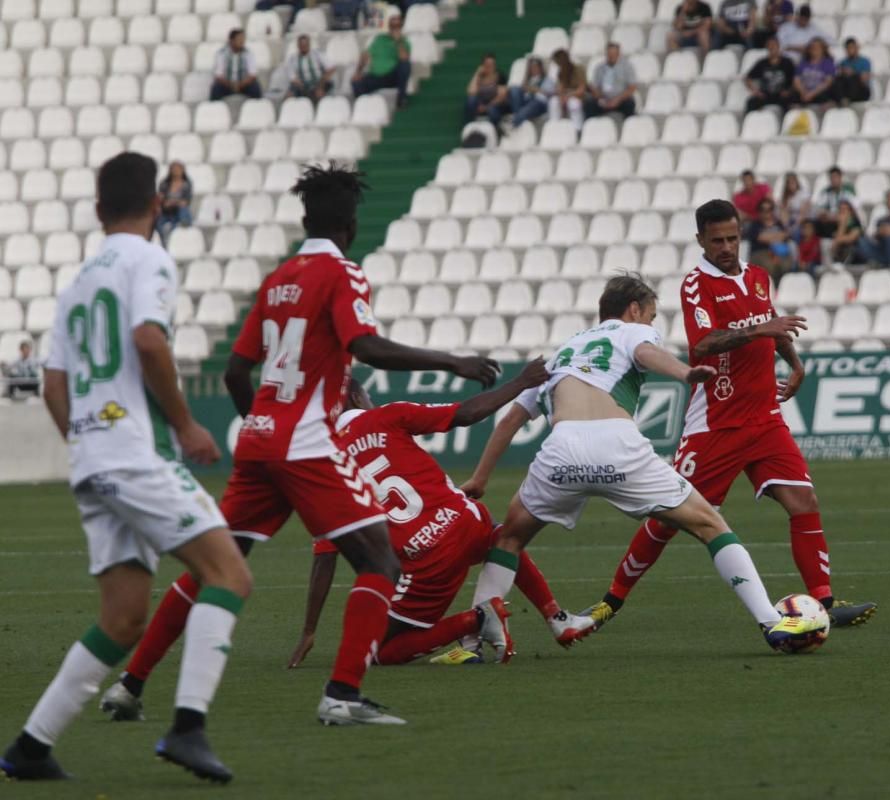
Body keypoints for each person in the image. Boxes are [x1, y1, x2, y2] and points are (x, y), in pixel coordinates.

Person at [96, 164, 502, 729]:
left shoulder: (278, 278)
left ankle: (130, 684)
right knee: (379, 560)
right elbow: (364, 345)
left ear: (305, 218)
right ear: (351, 224)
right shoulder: (343, 273)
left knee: (212, 564)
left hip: (260, 437)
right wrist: (451, 362)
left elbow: (238, 371)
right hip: (306, 442)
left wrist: (261, 426)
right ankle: (343, 694)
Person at [0, 152, 253, 783]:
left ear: (95, 210)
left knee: (123, 617)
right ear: (159, 205)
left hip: (91, 463)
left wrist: (83, 444)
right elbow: (147, 338)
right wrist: (186, 424)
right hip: (131, 455)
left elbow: (54, 383)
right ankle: (187, 727)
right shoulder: (149, 258)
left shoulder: (80, 279)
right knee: (229, 574)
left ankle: (31, 747)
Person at [460, 274, 821, 654]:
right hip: (616, 445)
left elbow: (509, 422)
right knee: (710, 525)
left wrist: (480, 478)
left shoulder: (561, 353)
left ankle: (469, 643)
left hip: (560, 452)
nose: (651, 324)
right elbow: (646, 353)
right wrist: (685, 372)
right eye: (650, 315)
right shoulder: (630, 332)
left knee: (509, 539)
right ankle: (771, 622)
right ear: (633, 310)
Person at [578, 204, 877, 632]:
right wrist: (761, 331)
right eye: (716, 240)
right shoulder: (697, 286)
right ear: (700, 239)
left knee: (803, 502)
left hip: (765, 419)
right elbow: (704, 344)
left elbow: (770, 323)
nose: (726, 247)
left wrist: (793, 361)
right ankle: (612, 600)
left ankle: (825, 603)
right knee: (669, 516)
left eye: (732, 238)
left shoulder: (757, 276)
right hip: (715, 424)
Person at [286, 372, 600, 669]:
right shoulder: (388, 415)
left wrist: (309, 630)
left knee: (379, 650)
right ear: (356, 397)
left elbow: (325, 558)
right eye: (367, 395)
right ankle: (555, 618)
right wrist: (521, 381)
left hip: (426, 561)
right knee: (505, 538)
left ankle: (475, 620)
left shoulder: (323, 466)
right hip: (466, 519)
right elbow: (466, 412)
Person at [352, 13, 412, 107]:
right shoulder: (380, 39)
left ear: (401, 27)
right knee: (356, 81)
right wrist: (358, 72)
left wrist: (398, 41)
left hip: (392, 77)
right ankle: (363, 107)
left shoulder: (404, 42)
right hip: (375, 76)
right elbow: (365, 55)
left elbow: (404, 58)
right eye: (393, 25)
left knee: (405, 65)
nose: (395, 28)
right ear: (389, 26)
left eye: (397, 25)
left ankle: (401, 99)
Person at [744, 198, 795, 283]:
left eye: (769, 209)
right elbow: (761, 238)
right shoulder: (755, 224)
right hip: (760, 252)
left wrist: (771, 237)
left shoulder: (778, 223)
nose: (766, 212)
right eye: (763, 210)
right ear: (759, 211)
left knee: (787, 264)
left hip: (779, 252)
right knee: (770, 266)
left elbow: (786, 235)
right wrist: (777, 236)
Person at [857, 190, 890, 268]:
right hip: (883, 250)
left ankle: (881, 262)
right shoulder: (881, 219)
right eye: (888, 199)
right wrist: (880, 232)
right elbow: (875, 236)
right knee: (861, 241)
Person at [585, 42, 638, 120]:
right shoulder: (599, 68)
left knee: (629, 104)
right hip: (603, 99)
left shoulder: (627, 67)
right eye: (609, 54)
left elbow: (632, 87)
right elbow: (594, 87)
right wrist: (600, 98)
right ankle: (591, 128)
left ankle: (629, 128)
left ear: (618, 54)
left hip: (620, 100)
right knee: (589, 104)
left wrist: (617, 99)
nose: (611, 56)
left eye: (614, 54)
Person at [744, 36, 797, 112]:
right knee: (751, 102)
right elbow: (748, 78)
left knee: (791, 102)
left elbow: (795, 79)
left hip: (782, 95)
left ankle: (785, 122)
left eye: (774, 45)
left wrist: (789, 91)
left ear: (778, 46)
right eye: (769, 45)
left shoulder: (787, 62)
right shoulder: (762, 63)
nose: (772, 48)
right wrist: (756, 91)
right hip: (765, 95)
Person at [210, 29, 262, 101]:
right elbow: (218, 76)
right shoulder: (221, 53)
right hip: (227, 84)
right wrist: (231, 85)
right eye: (239, 39)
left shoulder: (248, 53)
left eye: (243, 39)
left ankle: (257, 109)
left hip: (243, 84)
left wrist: (240, 85)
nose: (242, 41)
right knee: (216, 89)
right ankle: (214, 110)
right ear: (232, 40)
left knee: (255, 88)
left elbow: (253, 75)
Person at [463, 53, 509, 127]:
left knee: (492, 110)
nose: (490, 66)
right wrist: (477, 73)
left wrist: (486, 107)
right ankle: (470, 127)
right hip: (480, 105)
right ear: (483, 65)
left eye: (492, 64)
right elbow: (471, 92)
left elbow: (502, 95)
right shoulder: (479, 77)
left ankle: (496, 131)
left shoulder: (500, 76)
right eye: (487, 64)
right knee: (471, 100)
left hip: (495, 104)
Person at [507, 56, 554, 128]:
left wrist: (535, 89)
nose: (533, 69)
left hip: (539, 103)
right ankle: (516, 118)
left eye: (535, 67)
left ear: (540, 68)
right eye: (531, 67)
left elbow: (549, 93)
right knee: (515, 89)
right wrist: (525, 85)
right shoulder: (528, 80)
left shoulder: (547, 79)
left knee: (526, 110)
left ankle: (512, 124)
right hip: (526, 101)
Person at [287, 34, 336, 101]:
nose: (303, 47)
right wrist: (302, 87)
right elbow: (293, 78)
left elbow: (331, 68)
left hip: (319, 82)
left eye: (305, 44)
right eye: (301, 45)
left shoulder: (317, 54)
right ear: (298, 45)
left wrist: (321, 85)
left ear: (309, 44)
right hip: (303, 85)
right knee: (290, 94)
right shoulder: (293, 59)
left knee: (320, 92)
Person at [548, 49, 587, 132]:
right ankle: (555, 127)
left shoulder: (578, 69)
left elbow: (581, 90)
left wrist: (568, 95)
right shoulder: (560, 73)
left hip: (577, 96)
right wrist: (561, 98)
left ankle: (578, 130)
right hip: (566, 96)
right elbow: (560, 89)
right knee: (553, 102)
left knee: (573, 104)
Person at [155, 162, 192, 245]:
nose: (176, 172)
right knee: (157, 221)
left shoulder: (186, 185)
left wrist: (173, 202)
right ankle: (163, 240)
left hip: (178, 212)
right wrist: (167, 203)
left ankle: (184, 223)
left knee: (183, 209)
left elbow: (186, 202)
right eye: (174, 169)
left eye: (178, 169)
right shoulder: (164, 184)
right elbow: (161, 199)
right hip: (166, 211)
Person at [812, 165, 855, 237]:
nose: (833, 180)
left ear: (840, 177)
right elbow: (819, 208)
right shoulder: (826, 192)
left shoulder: (848, 191)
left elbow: (853, 209)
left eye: (836, 177)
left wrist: (836, 216)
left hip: (843, 219)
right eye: (831, 178)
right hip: (829, 219)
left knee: (843, 218)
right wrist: (828, 215)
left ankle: (836, 243)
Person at [793, 37, 836, 107]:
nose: (814, 49)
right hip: (804, 92)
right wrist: (803, 92)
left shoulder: (828, 63)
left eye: (817, 47)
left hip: (819, 92)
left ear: (823, 49)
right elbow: (796, 80)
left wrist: (811, 94)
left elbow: (828, 82)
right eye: (812, 47)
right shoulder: (803, 63)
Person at [833, 37, 871, 103]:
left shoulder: (864, 61)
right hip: (847, 89)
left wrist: (852, 72)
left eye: (852, 47)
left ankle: (846, 99)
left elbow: (864, 79)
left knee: (853, 78)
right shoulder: (843, 62)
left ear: (857, 48)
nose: (850, 50)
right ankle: (841, 99)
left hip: (861, 90)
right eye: (848, 48)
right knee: (838, 79)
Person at [830, 199, 865, 265]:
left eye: (845, 209)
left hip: (856, 257)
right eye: (840, 210)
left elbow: (849, 239)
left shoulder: (855, 224)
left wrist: (843, 224)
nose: (842, 212)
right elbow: (833, 248)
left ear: (850, 212)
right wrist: (841, 225)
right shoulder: (835, 225)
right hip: (840, 257)